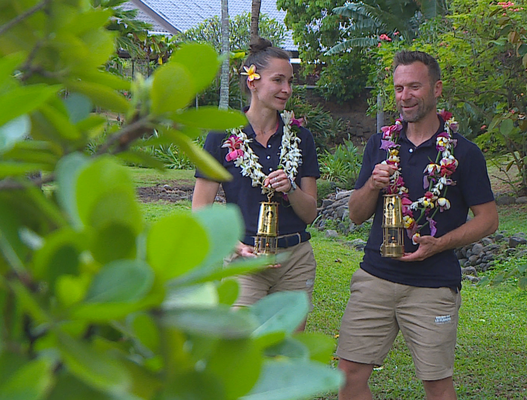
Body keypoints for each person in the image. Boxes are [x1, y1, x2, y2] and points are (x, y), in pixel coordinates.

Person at [336, 50, 499, 400]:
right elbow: (355, 214)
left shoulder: (463, 152)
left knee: (436, 386)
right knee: (348, 375)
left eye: (414, 86)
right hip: (375, 276)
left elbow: (488, 220)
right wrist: (372, 185)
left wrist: (441, 244)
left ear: (436, 89)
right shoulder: (380, 144)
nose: (404, 96)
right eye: (398, 88)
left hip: (432, 284)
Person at [191, 38, 320, 329]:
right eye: (278, 80)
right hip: (245, 261)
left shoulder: (301, 138)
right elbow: (201, 209)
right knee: (240, 349)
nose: (286, 89)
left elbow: (310, 213)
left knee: (285, 352)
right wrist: (236, 247)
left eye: (289, 81)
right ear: (253, 82)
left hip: (295, 261)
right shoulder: (221, 137)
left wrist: (291, 187)